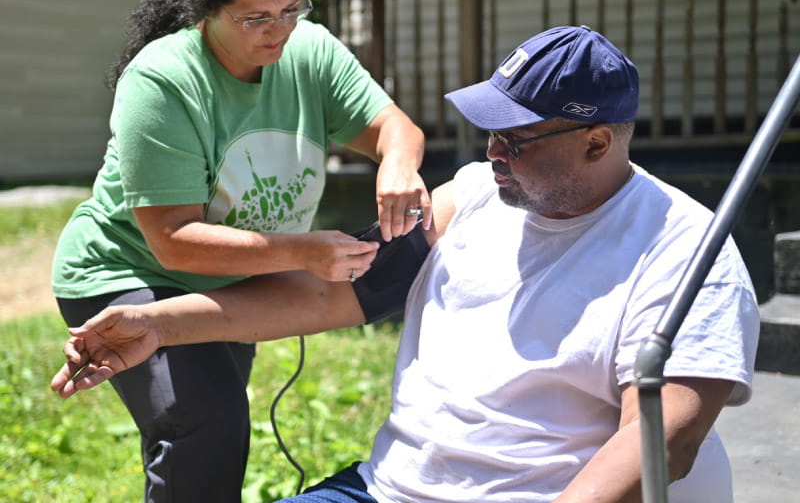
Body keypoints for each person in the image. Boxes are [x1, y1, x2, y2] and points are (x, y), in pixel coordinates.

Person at [52, 25, 760, 503]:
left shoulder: (684, 253)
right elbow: (330, 297)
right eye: (488, 132)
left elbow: (664, 435)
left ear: (598, 143)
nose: (491, 154)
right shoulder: (471, 198)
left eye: (515, 141)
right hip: (386, 489)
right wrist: (160, 324)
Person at [50, 0, 431, 502]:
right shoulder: (163, 82)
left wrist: (399, 163)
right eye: (255, 16)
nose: (277, 30)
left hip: (233, 277)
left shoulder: (309, 51)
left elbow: (393, 128)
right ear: (208, 8)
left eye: (290, 9)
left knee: (209, 430)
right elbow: (175, 240)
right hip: (129, 272)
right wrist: (304, 252)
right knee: (206, 424)